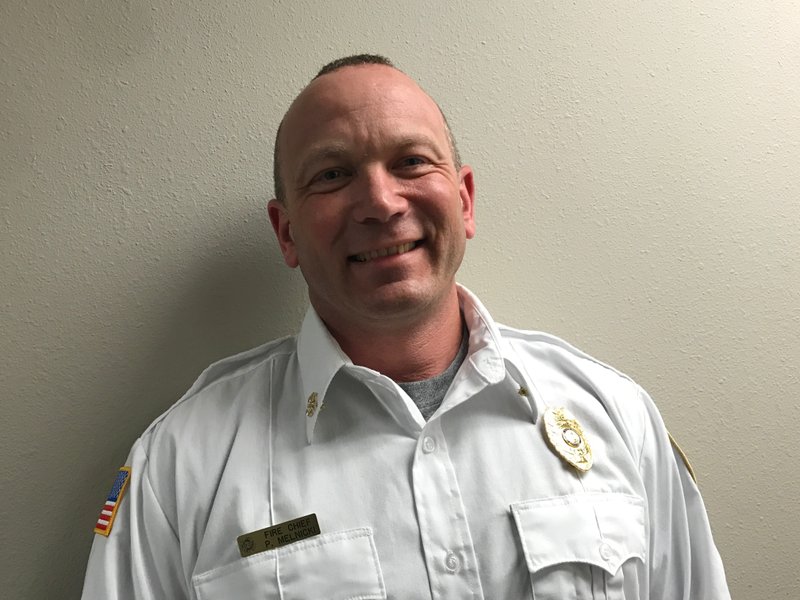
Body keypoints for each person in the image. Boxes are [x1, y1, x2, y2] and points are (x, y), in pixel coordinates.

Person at [82, 54, 731, 599]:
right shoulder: (179, 466)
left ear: (465, 199)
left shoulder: (615, 416)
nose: (381, 202)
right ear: (286, 233)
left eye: (412, 162)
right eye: (333, 175)